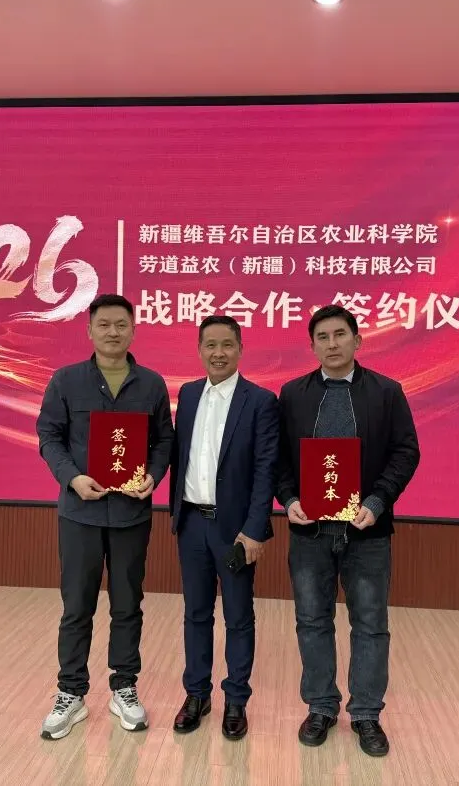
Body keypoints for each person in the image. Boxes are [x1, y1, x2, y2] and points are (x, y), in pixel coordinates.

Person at [275, 304, 420, 757]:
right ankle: (321, 707)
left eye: (340, 334)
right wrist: (290, 500)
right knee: (312, 621)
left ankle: (366, 714)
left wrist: (377, 503)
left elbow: (406, 452)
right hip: (311, 533)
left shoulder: (387, 392)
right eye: (322, 337)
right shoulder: (292, 395)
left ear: (358, 341)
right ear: (312, 345)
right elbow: (278, 458)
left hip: (366, 533)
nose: (332, 343)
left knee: (371, 624)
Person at [35, 293, 174, 740]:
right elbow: (49, 436)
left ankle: (124, 687)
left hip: (131, 513)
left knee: (128, 604)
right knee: (77, 605)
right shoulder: (66, 380)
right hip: (81, 513)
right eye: (104, 324)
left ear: (133, 330)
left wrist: (154, 474)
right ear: (89, 330)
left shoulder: (151, 384)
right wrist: (72, 478)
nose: (113, 332)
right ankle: (71, 692)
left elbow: (164, 441)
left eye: (121, 324)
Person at [168, 314, 279, 739]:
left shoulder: (260, 401)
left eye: (227, 345)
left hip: (235, 530)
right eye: (210, 345)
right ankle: (196, 694)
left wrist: (254, 530)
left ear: (240, 350)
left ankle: (236, 699)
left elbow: (265, 470)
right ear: (199, 350)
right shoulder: (188, 394)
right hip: (191, 523)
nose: (218, 353)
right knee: (195, 613)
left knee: (238, 616)